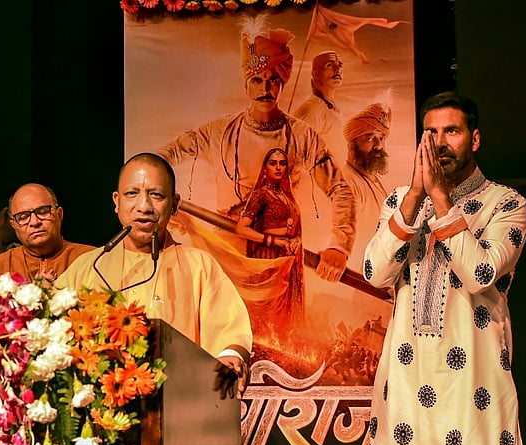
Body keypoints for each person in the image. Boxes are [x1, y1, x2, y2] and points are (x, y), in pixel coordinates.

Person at [362, 92, 526, 445]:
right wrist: (417, 198)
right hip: (406, 401)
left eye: (451, 131)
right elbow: (374, 273)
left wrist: (440, 199)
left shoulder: (506, 204)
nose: (439, 143)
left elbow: (480, 274)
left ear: (474, 139)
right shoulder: (401, 201)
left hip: (473, 401)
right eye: (430, 133)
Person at [157, 16, 356, 284]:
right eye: (257, 80)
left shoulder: (301, 135)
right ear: (246, 85)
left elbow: (340, 190)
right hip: (227, 253)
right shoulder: (218, 131)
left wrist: (339, 246)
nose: (265, 88)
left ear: (283, 84)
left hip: (279, 258)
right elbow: (160, 158)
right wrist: (162, 197)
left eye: (274, 80)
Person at [57, 153, 253, 398]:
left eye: (156, 195)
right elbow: (50, 331)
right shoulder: (89, 266)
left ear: (174, 203)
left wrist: (230, 356)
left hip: (179, 408)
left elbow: (230, 331)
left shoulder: (198, 266)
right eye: (132, 194)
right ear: (116, 201)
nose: (144, 207)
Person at [234, 147, 304, 339]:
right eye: (273, 163)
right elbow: (241, 228)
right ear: (265, 168)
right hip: (266, 261)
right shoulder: (260, 195)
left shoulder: (288, 198)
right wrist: (275, 241)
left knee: (279, 322)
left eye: (282, 163)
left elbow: (293, 230)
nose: (278, 167)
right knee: (262, 317)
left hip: (284, 263)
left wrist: (295, 240)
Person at [0, 183, 93, 282]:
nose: (34, 222)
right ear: (13, 225)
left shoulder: (91, 259)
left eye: (43, 212)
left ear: (59, 214)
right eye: (23, 217)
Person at [342, 101, 392, 270]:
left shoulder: (373, 177)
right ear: (351, 146)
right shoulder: (347, 183)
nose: (378, 145)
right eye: (369, 138)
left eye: (382, 138)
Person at [293, 50, 347, 165]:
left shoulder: (331, 107)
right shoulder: (312, 109)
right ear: (316, 74)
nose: (337, 70)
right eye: (329, 65)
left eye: (340, 65)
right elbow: (297, 156)